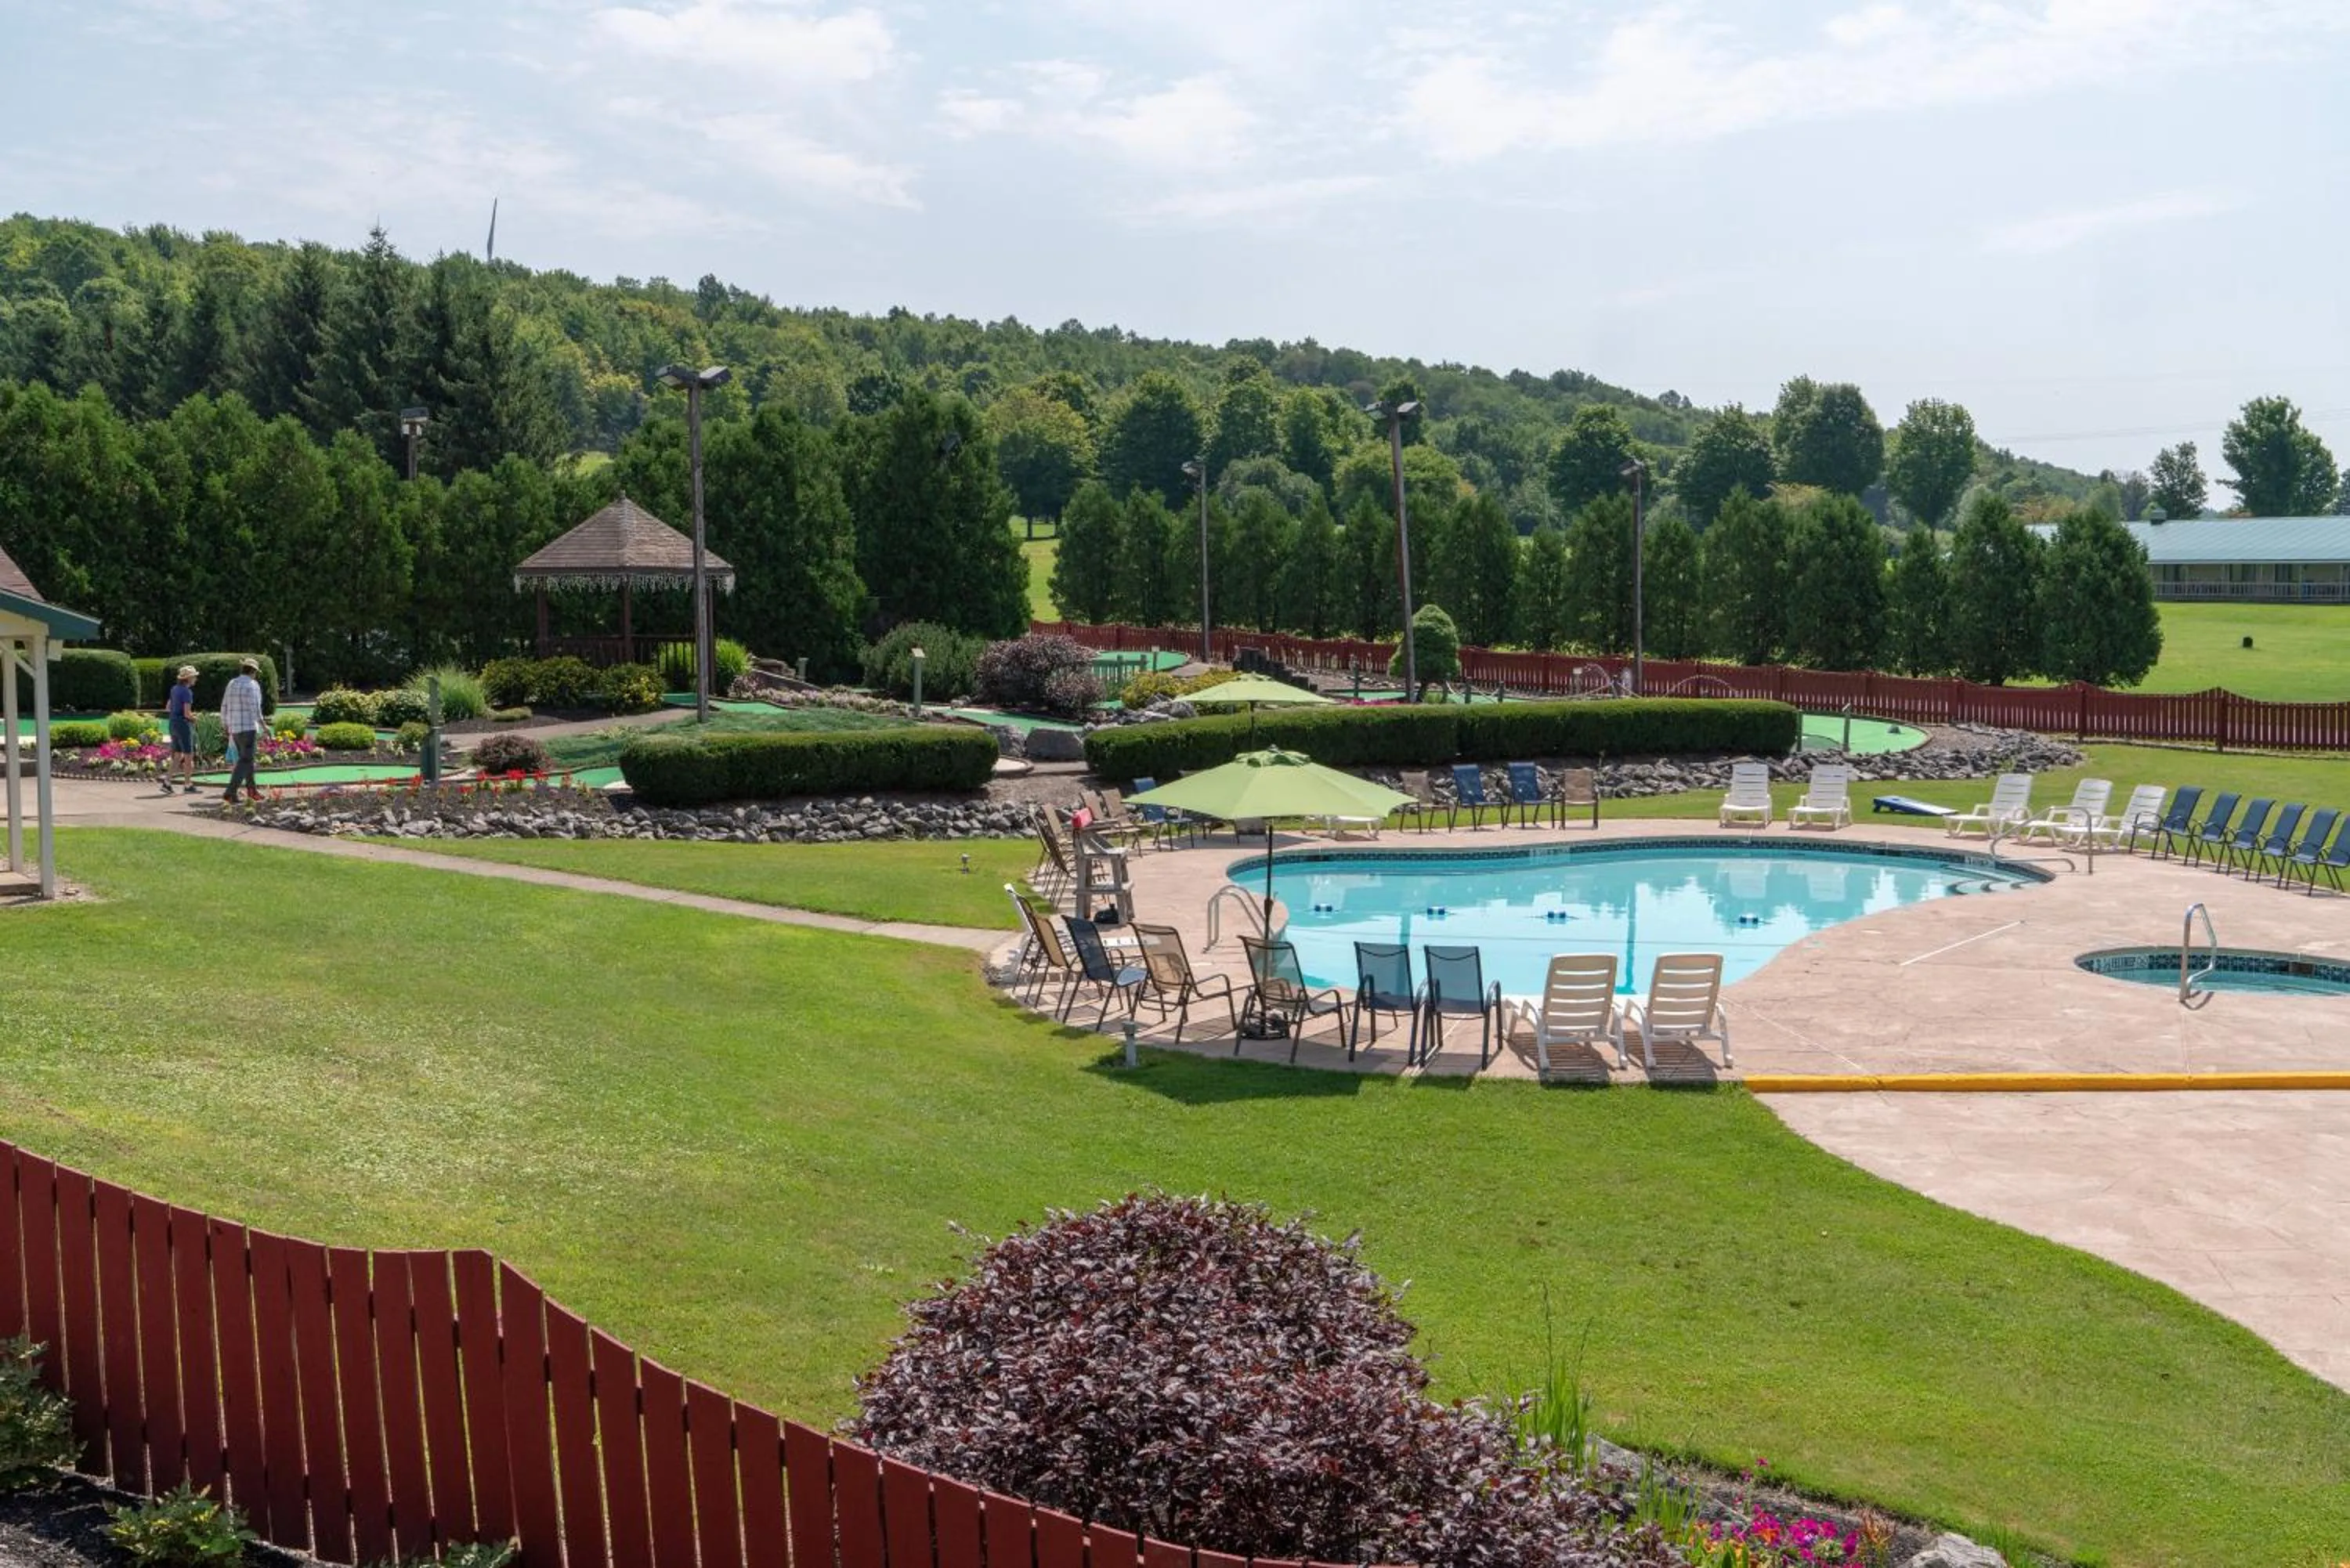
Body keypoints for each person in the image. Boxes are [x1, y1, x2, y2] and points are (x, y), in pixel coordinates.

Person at [219, 658, 265, 805]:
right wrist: (264, 725)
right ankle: (230, 792)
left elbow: (224, 705)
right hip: (248, 728)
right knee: (245, 760)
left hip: (235, 728)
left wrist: (225, 724)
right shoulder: (253, 685)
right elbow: (255, 708)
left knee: (248, 760)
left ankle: (252, 791)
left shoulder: (231, 683)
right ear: (253, 671)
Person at [161, 665, 201, 795]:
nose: (195, 679)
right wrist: (195, 718)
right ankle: (188, 785)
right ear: (188, 678)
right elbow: (187, 714)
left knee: (177, 756)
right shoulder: (187, 692)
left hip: (173, 724)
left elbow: (168, 707)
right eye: (194, 676)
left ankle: (167, 782)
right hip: (183, 726)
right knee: (189, 756)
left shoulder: (174, 689)